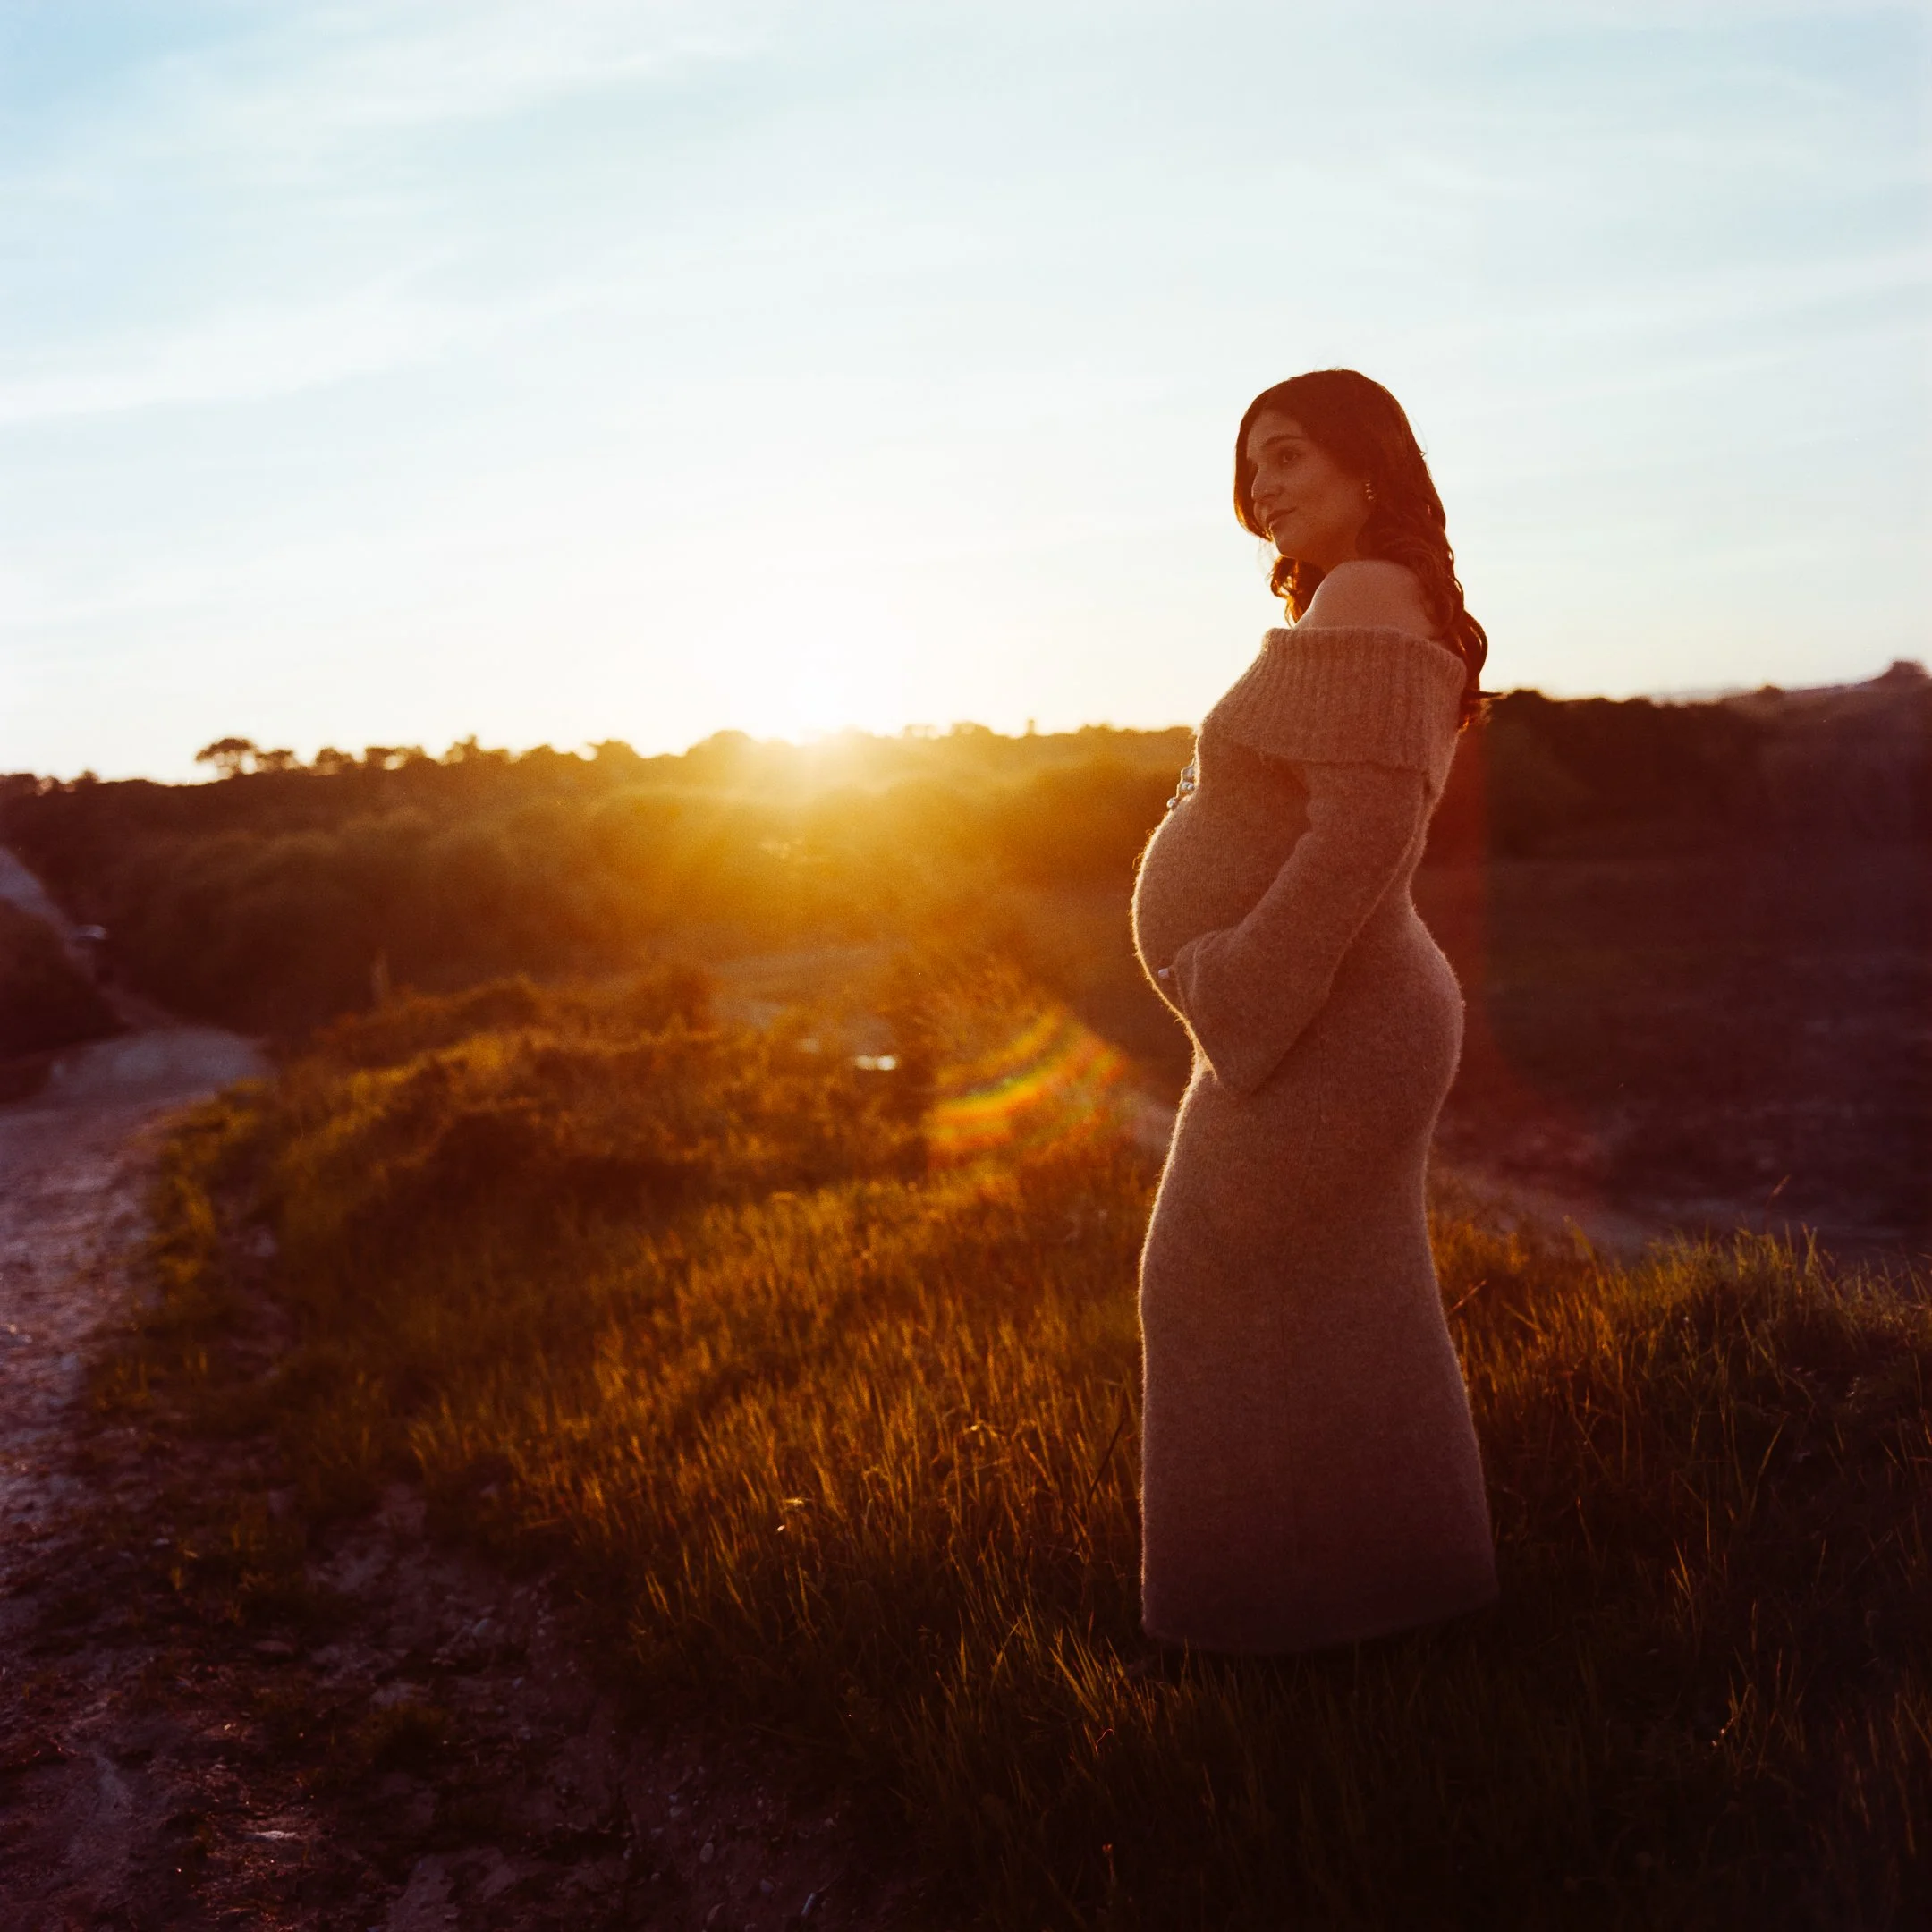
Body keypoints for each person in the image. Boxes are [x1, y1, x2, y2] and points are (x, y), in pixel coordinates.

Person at [1131, 369, 1498, 1653]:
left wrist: (1234, 989)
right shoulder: (1381, 599)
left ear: (1369, 466)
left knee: (1201, 1280)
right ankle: (1404, 1600)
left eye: (1285, 455)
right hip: (1336, 1012)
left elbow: (1363, 835)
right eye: (1250, 470)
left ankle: (1258, 1630)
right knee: (1356, 1304)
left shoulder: (1369, 592)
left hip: (1327, 1018)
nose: (1261, 488)